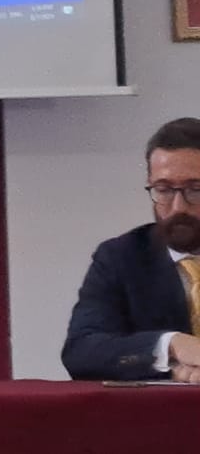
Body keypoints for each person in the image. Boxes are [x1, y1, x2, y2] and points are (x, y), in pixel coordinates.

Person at [61, 117, 200, 382]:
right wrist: (171, 346)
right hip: (165, 408)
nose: (178, 207)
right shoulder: (121, 258)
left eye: (196, 189)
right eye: (163, 189)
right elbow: (81, 352)